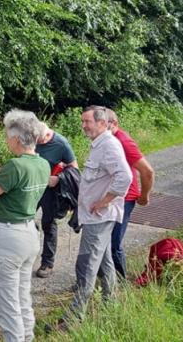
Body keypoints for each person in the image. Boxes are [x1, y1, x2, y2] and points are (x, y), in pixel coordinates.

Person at [50, 106, 131, 332]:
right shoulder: (100, 144)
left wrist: (105, 201)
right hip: (94, 216)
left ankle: (73, 320)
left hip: (100, 217)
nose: (84, 125)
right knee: (104, 263)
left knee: (86, 265)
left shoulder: (109, 146)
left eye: (88, 122)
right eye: (83, 121)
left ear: (102, 123)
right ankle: (111, 305)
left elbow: (125, 176)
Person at [0, 110, 50, 342]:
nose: (7, 140)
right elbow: (18, 188)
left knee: (7, 307)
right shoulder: (42, 164)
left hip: (7, 237)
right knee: (22, 297)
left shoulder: (15, 166)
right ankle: (27, 338)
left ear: (17, 139)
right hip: (29, 232)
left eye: (9, 136)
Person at [104, 109, 156, 279]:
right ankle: (104, 277)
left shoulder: (124, 142)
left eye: (105, 125)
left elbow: (147, 171)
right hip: (109, 196)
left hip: (124, 198)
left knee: (113, 243)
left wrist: (144, 196)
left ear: (115, 124)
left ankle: (120, 282)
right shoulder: (106, 140)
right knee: (102, 241)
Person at [33, 120, 78, 279]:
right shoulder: (32, 137)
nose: (36, 143)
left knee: (49, 223)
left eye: (39, 140)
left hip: (51, 190)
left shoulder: (61, 144)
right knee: (23, 217)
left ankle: (47, 263)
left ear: (47, 134)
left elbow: (74, 168)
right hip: (32, 186)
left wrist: (58, 178)